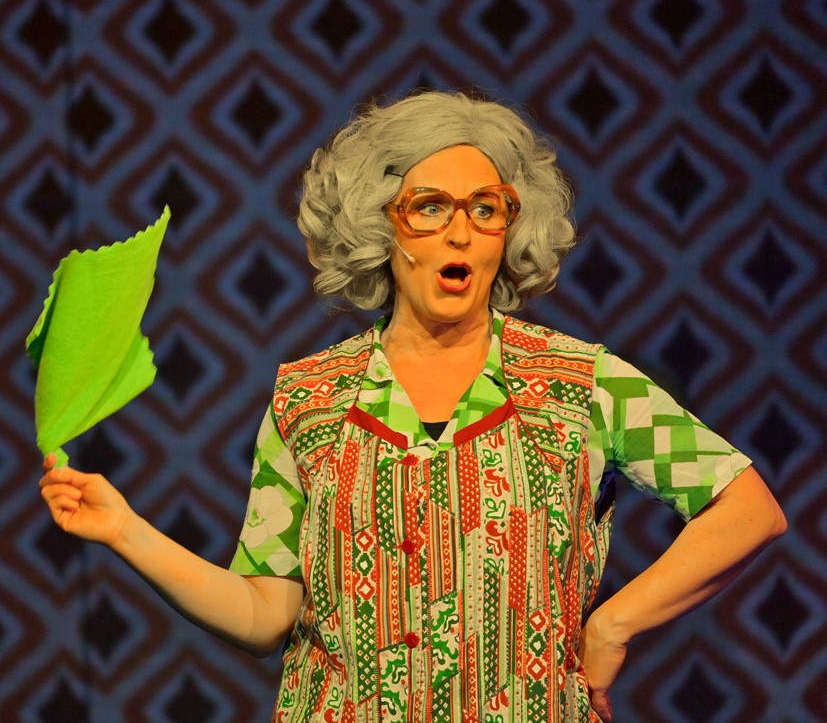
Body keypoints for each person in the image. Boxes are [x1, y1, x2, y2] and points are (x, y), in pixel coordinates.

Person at [40, 91, 786, 722]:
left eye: (486, 209)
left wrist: (613, 624)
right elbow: (266, 613)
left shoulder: (580, 385)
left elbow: (746, 508)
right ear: (380, 226)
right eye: (429, 208)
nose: (460, 232)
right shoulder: (310, 398)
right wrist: (127, 531)